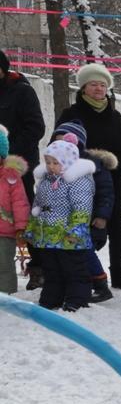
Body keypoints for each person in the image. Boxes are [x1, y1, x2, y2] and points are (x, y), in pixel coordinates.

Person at [57, 63, 121, 290]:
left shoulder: (115, 116)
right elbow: (59, 146)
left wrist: (119, 164)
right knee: (82, 227)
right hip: (81, 183)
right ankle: (85, 275)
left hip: (113, 183)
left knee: (116, 228)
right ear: (84, 88)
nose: (98, 89)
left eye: (103, 85)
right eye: (93, 84)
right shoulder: (71, 114)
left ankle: (120, 276)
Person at [24, 140, 95, 311]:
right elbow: (37, 206)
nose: (50, 166)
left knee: (73, 269)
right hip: (49, 235)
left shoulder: (78, 181)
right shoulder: (46, 181)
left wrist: (76, 230)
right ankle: (51, 298)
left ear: (68, 162)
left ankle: (77, 299)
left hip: (69, 236)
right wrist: (32, 229)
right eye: (48, 162)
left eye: (56, 162)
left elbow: (82, 207)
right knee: (52, 268)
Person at [52, 120, 117, 303]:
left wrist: (102, 215)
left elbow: (106, 192)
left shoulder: (92, 165)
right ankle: (76, 285)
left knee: (85, 252)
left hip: (88, 219)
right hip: (63, 220)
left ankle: (100, 285)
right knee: (69, 254)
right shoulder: (55, 165)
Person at [0, 50, 46, 289]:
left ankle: (38, 267)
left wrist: (7, 152)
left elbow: (36, 127)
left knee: (24, 215)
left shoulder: (22, 91)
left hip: (19, 167)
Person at [0, 125, 31, 293]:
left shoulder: (10, 176)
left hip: (4, 232)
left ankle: (6, 296)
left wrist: (21, 228)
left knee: (4, 265)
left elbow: (20, 202)